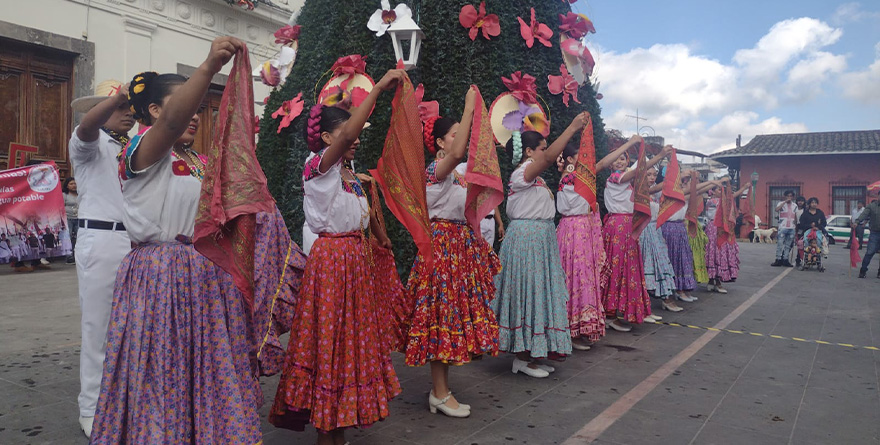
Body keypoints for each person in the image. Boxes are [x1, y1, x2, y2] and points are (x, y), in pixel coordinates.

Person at [91, 37, 283, 443]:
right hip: (162, 278)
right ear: (156, 111)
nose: (195, 114)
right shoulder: (142, 150)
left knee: (209, 371)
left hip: (207, 280)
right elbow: (173, 124)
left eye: (198, 106)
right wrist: (210, 67)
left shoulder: (199, 162)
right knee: (165, 372)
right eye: (186, 103)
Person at [270, 69, 408, 444]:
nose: (356, 138)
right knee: (330, 343)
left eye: (356, 132)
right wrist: (378, 88)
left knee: (348, 343)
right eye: (348, 133)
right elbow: (349, 134)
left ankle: (338, 426)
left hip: (353, 261)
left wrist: (378, 242)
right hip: (332, 263)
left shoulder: (346, 173)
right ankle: (325, 430)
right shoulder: (317, 166)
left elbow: (363, 214)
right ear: (328, 137)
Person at [404, 89, 501, 418]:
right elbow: (460, 154)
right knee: (441, 319)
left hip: (458, 249)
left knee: (449, 319)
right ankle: (439, 392)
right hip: (442, 250)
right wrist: (469, 106)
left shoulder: (456, 175)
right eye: (454, 136)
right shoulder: (434, 171)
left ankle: (441, 391)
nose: (459, 141)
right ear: (441, 144)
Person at [67, 79, 136, 438]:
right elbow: (88, 126)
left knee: (135, 328)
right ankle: (91, 407)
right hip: (102, 238)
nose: (127, 113)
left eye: (130, 108)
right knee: (99, 327)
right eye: (120, 108)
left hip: (138, 243)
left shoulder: (136, 147)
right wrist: (117, 98)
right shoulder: (88, 145)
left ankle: (127, 400)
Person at [493, 115, 588, 379]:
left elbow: (546, 162)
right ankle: (522, 357)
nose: (547, 154)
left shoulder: (535, 179)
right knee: (529, 293)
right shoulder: (522, 173)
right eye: (542, 148)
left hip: (539, 240)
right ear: (529, 152)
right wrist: (571, 127)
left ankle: (531, 355)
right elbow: (547, 161)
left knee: (537, 294)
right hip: (527, 240)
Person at [598, 137, 671, 332]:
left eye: (624, 159)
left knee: (625, 268)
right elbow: (640, 169)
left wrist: (660, 156)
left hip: (625, 226)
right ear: (611, 163)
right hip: (618, 226)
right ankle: (610, 312)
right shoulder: (614, 178)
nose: (620, 162)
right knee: (617, 268)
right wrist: (660, 156)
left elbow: (641, 169)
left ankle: (615, 311)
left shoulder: (628, 180)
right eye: (617, 159)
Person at [556, 142, 607, 350]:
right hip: (574, 229)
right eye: (580, 156)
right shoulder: (571, 176)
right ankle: (572, 328)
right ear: (569, 160)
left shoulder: (576, 176)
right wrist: (629, 144)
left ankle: (580, 327)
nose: (586, 161)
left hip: (581, 229)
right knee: (575, 276)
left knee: (582, 275)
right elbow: (602, 164)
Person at [639, 167, 681, 312]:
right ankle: (646, 303)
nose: (651, 177)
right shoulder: (637, 190)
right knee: (647, 266)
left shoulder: (655, 193)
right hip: (644, 231)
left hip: (655, 231)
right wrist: (671, 180)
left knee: (661, 264)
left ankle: (665, 297)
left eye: (654, 175)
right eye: (648, 174)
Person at [705, 179, 750, 292]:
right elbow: (731, 197)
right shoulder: (713, 201)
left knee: (720, 252)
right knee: (714, 252)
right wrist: (743, 188)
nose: (721, 191)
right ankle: (713, 280)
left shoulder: (722, 201)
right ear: (713, 192)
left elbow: (731, 197)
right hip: (714, 227)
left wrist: (744, 188)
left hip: (722, 227)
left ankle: (716, 280)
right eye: (719, 189)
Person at [853, 191, 879, 279]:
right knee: (870, 252)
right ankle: (863, 271)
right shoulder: (872, 206)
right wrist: (857, 221)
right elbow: (864, 215)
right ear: (878, 196)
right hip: (874, 233)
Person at [771, 190, 797, 267]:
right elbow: (776, 209)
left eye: (791, 196)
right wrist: (784, 202)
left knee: (788, 245)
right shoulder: (781, 203)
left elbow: (795, 216)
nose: (789, 197)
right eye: (788, 196)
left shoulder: (794, 205)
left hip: (791, 227)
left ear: (792, 197)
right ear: (785, 196)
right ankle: (778, 259)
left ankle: (785, 259)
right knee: (780, 244)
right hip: (783, 226)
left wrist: (795, 226)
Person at [62, 177, 79, 263]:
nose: (74, 185)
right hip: (68, 218)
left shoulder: (79, 194)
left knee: (78, 237)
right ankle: (68, 256)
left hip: (78, 218)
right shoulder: (64, 195)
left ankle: (76, 255)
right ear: (67, 186)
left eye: (75, 183)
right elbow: (61, 206)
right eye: (71, 184)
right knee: (67, 237)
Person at [792, 195, 806, 266]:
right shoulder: (795, 209)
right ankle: (798, 258)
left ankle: (804, 258)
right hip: (797, 227)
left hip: (804, 227)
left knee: (804, 244)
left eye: (802, 201)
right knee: (799, 244)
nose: (800, 202)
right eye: (799, 201)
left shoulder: (806, 210)